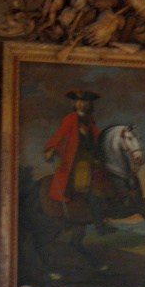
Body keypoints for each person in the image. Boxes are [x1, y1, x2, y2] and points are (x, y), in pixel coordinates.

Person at [44, 89, 111, 234]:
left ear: (89, 104)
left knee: (106, 179)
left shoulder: (90, 120)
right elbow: (60, 134)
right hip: (76, 159)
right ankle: (98, 224)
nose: (81, 104)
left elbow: (96, 138)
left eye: (85, 102)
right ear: (75, 104)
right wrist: (51, 148)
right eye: (79, 101)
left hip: (91, 157)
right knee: (88, 188)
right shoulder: (70, 119)